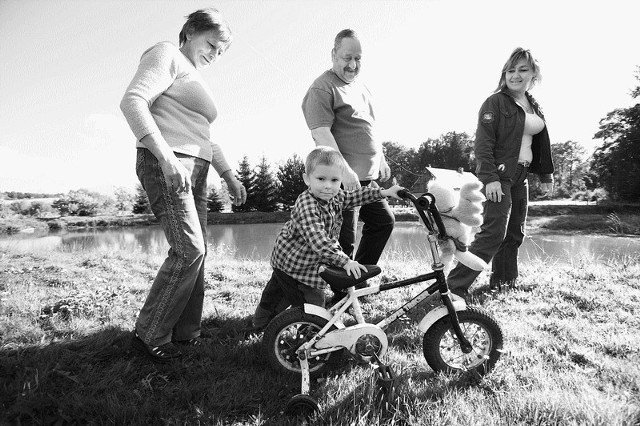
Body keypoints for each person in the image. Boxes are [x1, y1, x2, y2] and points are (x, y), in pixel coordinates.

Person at [120, 8, 246, 362]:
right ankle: (149, 335)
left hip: (197, 167)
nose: (215, 55)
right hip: (169, 163)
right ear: (190, 31)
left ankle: (186, 333)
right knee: (189, 249)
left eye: (221, 52)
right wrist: (165, 157)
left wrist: (228, 174)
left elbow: (205, 136)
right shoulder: (166, 54)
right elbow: (133, 101)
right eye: (212, 44)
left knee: (199, 254)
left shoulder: (195, 75)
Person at [252, 147, 402, 330]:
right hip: (295, 264)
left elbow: (355, 196)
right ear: (307, 178)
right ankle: (295, 335)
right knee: (307, 303)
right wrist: (345, 261)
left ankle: (275, 327)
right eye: (321, 179)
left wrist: (383, 193)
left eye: (335, 180)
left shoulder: (335, 196)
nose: (328, 186)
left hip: (306, 263)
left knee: (278, 294)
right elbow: (319, 239)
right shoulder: (306, 204)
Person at [447, 47, 554, 299]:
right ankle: (454, 287)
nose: (515, 75)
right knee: (493, 233)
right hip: (501, 175)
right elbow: (483, 144)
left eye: (522, 69)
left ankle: (504, 283)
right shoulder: (495, 102)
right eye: (511, 69)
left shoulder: (533, 105)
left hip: (522, 175)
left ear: (534, 76)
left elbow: (540, 143)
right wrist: (490, 178)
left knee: (514, 232)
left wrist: (546, 174)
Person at [301, 29, 394, 288]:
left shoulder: (361, 88)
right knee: (343, 241)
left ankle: (357, 279)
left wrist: (382, 158)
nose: (352, 65)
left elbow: (369, 128)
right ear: (333, 54)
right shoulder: (322, 87)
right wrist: (344, 171)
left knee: (383, 222)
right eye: (346, 58)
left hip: (367, 178)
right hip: (341, 180)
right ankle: (339, 295)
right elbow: (321, 133)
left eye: (358, 58)